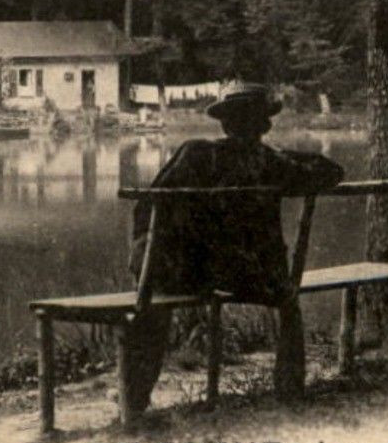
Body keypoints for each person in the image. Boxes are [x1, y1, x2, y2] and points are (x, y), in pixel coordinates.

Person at [119, 82, 343, 422]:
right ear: (264, 126)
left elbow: (151, 205)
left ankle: (134, 401)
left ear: (224, 124)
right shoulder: (272, 163)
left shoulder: (197, 153)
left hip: (193, 276)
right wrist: (281, 154)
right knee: (289, 302)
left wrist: (142, 256)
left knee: (152, 293)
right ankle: (289, 389)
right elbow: (331, 172)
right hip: (254, 278)